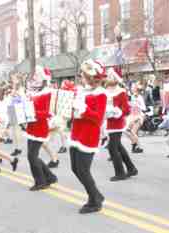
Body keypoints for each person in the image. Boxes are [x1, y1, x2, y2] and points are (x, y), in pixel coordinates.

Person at [69, 59, 107, 214]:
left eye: (83, 74)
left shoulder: (101, 94)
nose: (81, 77)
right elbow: (74, 111)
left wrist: (83, 109)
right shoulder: (80, 91)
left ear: (91, 76)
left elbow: (98, 118)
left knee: (83, 170)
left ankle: (95, 200)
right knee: (75, 168)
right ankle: (96, 195)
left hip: (89, 135)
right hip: (76, 132)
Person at [25, 66, 58, 191]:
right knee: (32, 155)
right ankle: (50, 176)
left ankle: (41, 181)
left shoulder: (48, 92)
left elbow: (47, 112)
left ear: (44, 78)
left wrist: (33, 113)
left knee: (32, 156)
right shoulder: (34, 91)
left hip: (40, 126)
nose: (35, 77)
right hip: (32, 125)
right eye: (35, 74)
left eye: (37, 75)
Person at [105, 66, 138, 182]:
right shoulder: (106, 91)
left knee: (112, 148)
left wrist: (117, 112)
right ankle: (131, 168)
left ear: (116, 78)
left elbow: (127, 110)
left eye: (110, 76)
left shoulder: (121, 91)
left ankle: (120, 173)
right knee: (118, 146)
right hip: (109, 122)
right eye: (108, 75)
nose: (108, 77)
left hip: (117, 123)